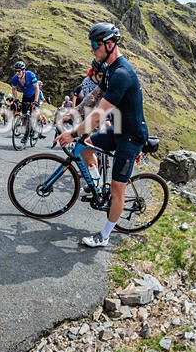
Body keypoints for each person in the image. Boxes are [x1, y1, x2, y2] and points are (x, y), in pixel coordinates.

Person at [55, 22, 148, 248]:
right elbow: (94, 96)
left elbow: (98, 116)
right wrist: (73, 114)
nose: (92, 49)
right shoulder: (109, 69)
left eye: (96, 44)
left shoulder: (122, 74)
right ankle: (97, 185)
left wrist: (72, 133)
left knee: (117, 189)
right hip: (117, 130)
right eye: (91, 44)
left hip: (131, 136)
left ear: (110, 44)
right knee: (85, 146)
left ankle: (104, 236)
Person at [9, 60, 40, 144]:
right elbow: (14, 89)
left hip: (34, 95)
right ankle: (26, 134)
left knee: (34, 112)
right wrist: (16, 98)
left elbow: (37, 88)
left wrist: (36, 101)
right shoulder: (15, 78)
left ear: (23, 71)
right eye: (16, 71)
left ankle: (36, 127)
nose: (17, 72)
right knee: (24, 116)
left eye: (19, 71)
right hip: (26, 96)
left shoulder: (30, 75)